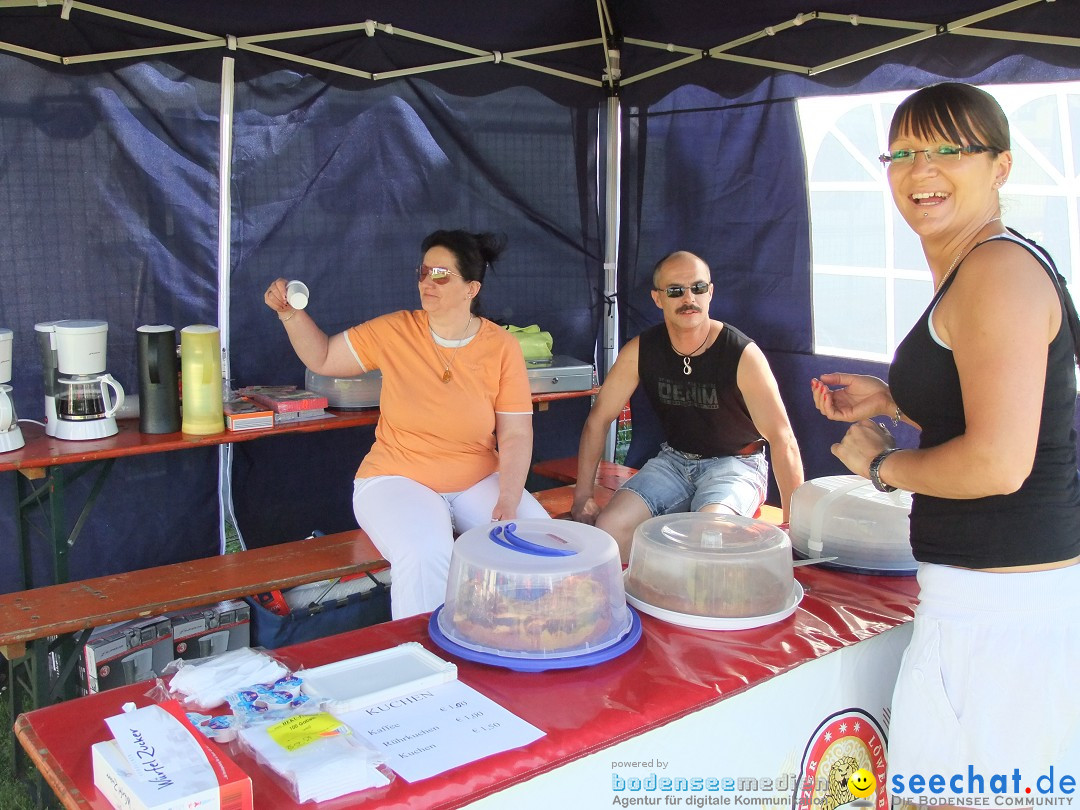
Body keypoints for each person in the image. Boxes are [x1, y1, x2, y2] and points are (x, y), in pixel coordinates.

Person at [810, 83, 1080, 794]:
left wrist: (880, 463)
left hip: (1006, 613)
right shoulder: (979, 266)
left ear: (1000, 168)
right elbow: (987, 407)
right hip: (981, 598)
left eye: (947, 150)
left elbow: (998, 462)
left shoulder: (997, 270)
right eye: (902, 153)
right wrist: (898, 399)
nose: (920, 170)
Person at [264, 230, 549, 620]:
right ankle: (424, 664)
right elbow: (325, 357)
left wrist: (510, 497)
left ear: (472, 288)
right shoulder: (395, 329)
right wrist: (290, 315)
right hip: (395, 477)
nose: (427, 282)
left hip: (477, 477)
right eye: (423, 272)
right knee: (425, 552)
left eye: (441, 274)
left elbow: (516, 432)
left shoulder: (501, 346)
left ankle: (522, 644)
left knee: (538, 540)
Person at [571, 250, 804, 560]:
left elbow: (782, 438)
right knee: (611, 527)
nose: (689, 298)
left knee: (709, 534)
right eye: (676, 291)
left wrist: (793, 526)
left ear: (710, 292)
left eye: (698, 287)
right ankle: (639, 600)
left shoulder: (741, 353)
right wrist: (583, 495)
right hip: (674, 462)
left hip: (736, 464)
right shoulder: (641, 350)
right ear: (658, 298)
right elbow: (598, 419)